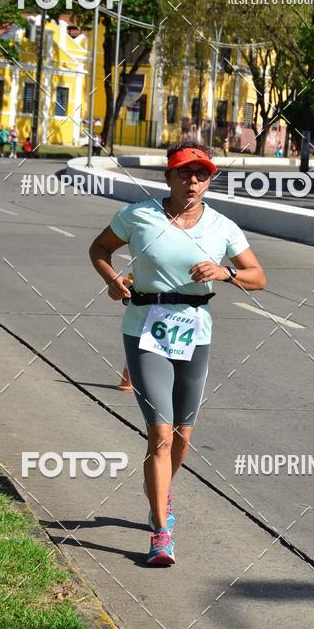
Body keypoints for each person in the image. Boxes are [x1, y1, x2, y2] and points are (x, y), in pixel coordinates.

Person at [89, 141, 266, 566]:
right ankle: (160, 531)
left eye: (201, 174)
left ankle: (160, 491)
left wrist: (226, 272)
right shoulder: (139, 216)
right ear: (168, 176)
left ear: (210, 180)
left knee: (184, 437)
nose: (193, 181)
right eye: (185, 172)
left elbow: (258, 277)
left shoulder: (222, 227)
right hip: (144, 329)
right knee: (161, 434)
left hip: (195, 332)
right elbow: (99, 249)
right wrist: (113, 279)